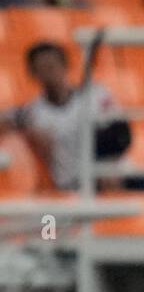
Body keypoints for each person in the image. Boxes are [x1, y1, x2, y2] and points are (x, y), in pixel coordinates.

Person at [0, 42, 131, 191]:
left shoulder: (96, 96)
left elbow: (120, 136)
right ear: (32, 73)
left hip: (114, 174)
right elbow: (7, 119)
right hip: (74, 182)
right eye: (41, 68)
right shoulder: (32, 114)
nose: (49, 73)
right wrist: (26, 131)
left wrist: (107, 166)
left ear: (65, 65)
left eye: (51, 66)